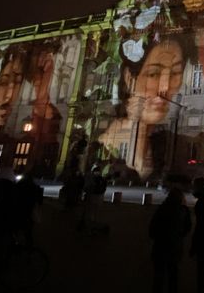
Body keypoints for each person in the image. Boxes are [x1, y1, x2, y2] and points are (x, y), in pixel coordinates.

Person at [99, 30, 197, 180]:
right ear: (129, 79)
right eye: (153, 74)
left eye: (176, 72)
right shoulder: (110, 134)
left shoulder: (176, 125)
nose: (165, 87)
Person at [149, 187, 192, 293]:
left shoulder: (162, 208)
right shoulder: (184, 210)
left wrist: (156, 237)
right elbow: (187, 227)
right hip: (175, 246)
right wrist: (179, 235)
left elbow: (153, 227)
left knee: (159, 276)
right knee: (173, 274)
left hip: (160, 246)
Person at [78, 164, 108, 234]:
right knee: (93, 212)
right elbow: (103, 187)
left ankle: (88, 227)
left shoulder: (90, 177)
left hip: (91, 196)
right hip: (97, 197)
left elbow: (86, 186)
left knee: (89, 211)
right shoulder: (99, 178)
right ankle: (90, 226)